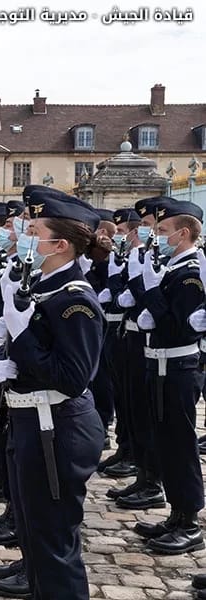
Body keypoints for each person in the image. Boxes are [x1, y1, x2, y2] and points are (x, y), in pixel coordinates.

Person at [0, 187, 109, 599]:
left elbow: (71, 377)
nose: (23, 235)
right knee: (36, 536)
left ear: (58, 244)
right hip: (32, 422)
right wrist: (10, 358)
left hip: (57, 429)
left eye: (32, 230)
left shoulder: (76, 300)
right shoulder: (45, 286)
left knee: (55, 545)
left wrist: (21, 335)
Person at [133, 197, 205, 554]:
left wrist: (151, 292)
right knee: (164, 442)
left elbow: (180, 327)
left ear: (184, 233)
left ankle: (190, 519)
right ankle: (176, 513)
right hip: (158, 363)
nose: (156, 235)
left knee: (180, 445)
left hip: (178, 366)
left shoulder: (190, 275)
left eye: (163, 230)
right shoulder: (172, 268)